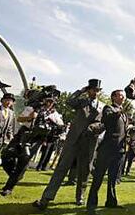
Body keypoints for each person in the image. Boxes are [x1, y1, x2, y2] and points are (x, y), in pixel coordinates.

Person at [33, 79, 103, 210]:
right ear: (88, 90)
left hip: (89, 143)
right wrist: (80, 91)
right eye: (92, 90)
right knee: (61, 169)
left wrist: (94, 128)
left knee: (84, 171)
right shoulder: (81, 102)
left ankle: (80, 197)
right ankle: (46, 198)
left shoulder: (102, 107)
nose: (94, 92)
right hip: (73, 141)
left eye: (97, 90)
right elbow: (69, 101)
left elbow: (103, 124)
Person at [1, 97, 64, 196]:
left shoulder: (55, 114)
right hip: (23, 133)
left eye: (51, 102)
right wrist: (30, 117)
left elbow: (60, 127)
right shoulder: (32, 109)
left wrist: (52, 126)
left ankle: (9, 187)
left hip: (37, 138)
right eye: (47, 101)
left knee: (23, 160)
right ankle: (16, 176)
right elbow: (19, 119)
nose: (49, 103)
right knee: (6, 156)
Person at [86, 90, 128, 215]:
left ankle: (111, 201)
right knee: (98, 177)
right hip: (107, 148)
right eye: (121, 95)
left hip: (120, 150)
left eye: (124, 96)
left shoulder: (124, 114)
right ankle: (91, 204)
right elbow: (107, 120)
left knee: (113, 178)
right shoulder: (108, 108)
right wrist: (120, 111)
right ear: (114, 97)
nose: (123, 97)